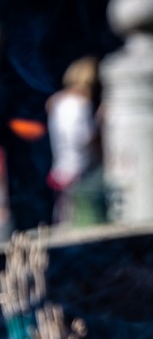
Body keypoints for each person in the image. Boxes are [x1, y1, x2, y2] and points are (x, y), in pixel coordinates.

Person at [46, 56, 103, 226]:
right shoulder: (80, 103)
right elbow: (83, 138)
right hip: (81, 169)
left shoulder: (57, 101)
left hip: (62, 166)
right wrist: (100, 124)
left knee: (65, 216)